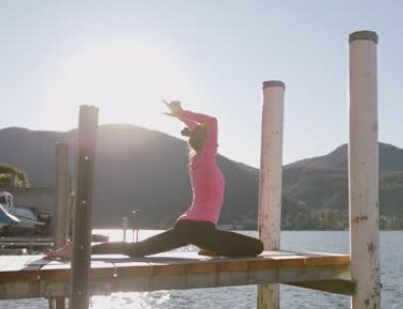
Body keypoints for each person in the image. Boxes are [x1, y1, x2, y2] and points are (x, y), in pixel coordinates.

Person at [45, 100, 263, 259]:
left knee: (135, 250)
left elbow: (202, 130)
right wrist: (182, 112)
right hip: (199, 229)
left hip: (189, 227)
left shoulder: (198, 160)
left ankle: (75, 249)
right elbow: (212, 122)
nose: (216, 144)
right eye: (212, 141)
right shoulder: (205, 159)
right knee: (257, 247)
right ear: (207, 142)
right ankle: (210, 246)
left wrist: (180, 116)